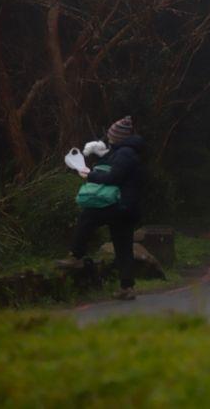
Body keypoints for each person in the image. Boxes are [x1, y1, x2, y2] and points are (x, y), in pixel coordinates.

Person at [56, 116, 144, 300]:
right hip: (128, 207)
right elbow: (113, 167)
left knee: (88, 217)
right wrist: (99, 153)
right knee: (123, 247)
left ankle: (75, 255)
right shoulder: (125, 151)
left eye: (111, 135)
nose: (108, 138)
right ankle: (127, 288)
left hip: (119, 204)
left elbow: (113, 178)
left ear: (117, 137)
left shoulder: (125, 153)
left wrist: (90, 175)